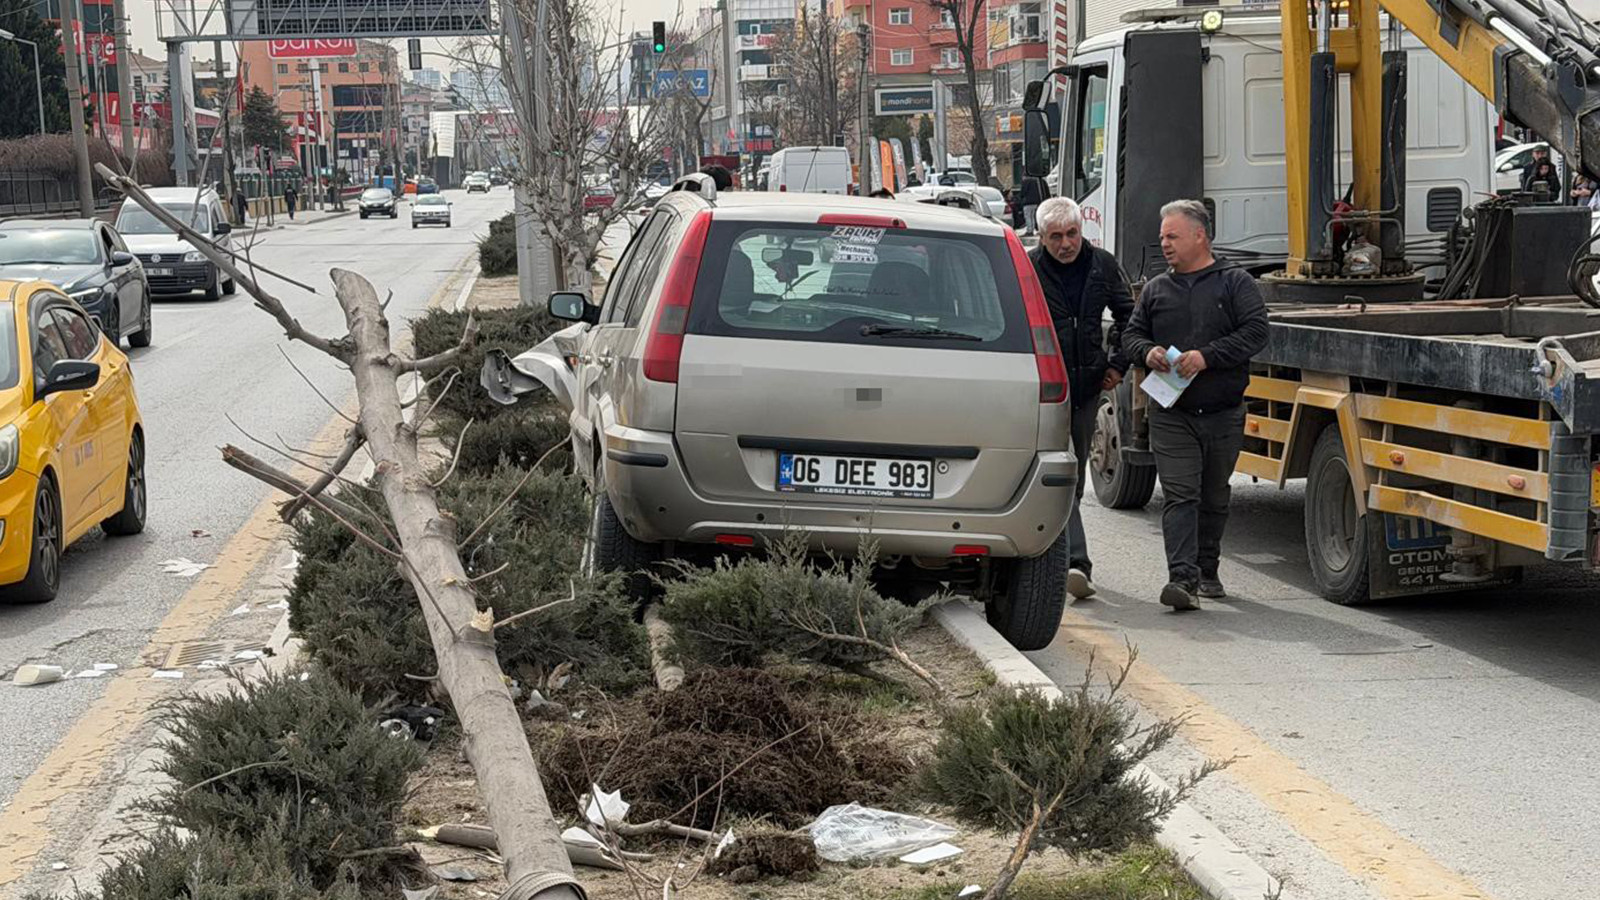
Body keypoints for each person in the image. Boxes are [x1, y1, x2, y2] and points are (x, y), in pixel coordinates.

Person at [1122, 199, 1269, 611]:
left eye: (1173, 236)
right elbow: (1130, 337)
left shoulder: (1235, 283)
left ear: (1200, 236)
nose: (1164, 244)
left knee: (1214, 495)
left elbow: (1257, 332)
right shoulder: (1156, 289)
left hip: (1223, 412)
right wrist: (1147, 352)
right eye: (1162, 237)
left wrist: (1208, 356)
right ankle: (1182, 580)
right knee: (1180, 495)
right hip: (1172, 414)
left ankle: (1208, 569)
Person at [1028, 197, 1135, 601]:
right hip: (1043, 389)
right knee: (1060, 472)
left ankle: (1064, 559)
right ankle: (1075, 561)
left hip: (1088, 386)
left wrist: (1118, 364)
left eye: (1072, 234)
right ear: (1042, 237)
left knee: (1073, 478)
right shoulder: (1029, 268)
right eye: (1056, 237)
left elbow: (1130, 317)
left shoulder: (1102, 265)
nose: (1066, 244)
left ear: (1081, 231)